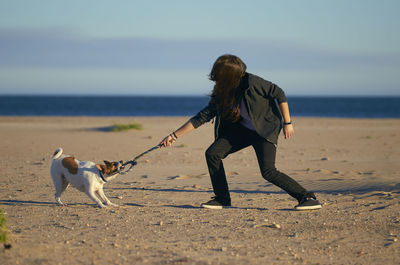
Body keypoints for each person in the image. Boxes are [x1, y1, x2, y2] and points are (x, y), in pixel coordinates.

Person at [160, 54, 321, 210]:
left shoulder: (252, 82)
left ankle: (307, 197)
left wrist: (288, 122)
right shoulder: (221, 92)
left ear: (230, 76)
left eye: (219, 75)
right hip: (244, 129)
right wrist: (173, 136)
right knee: (213, 153)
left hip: (265, 129)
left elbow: (279, 93)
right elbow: (202, 116)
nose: (215, 78)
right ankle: (222, 199)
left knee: (268, 172)